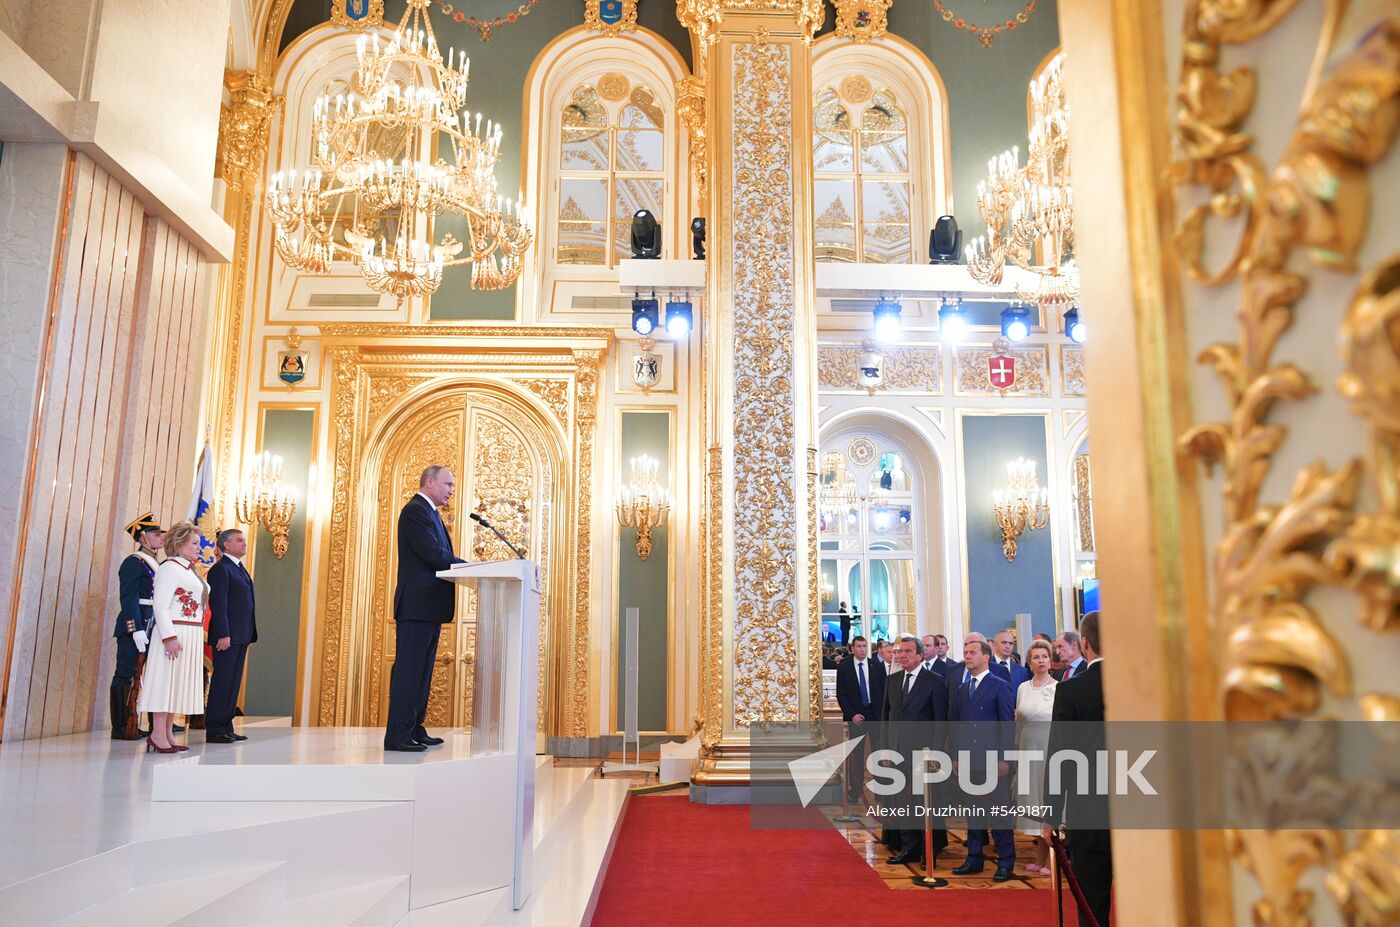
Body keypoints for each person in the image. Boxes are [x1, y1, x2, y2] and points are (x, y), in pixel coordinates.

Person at [384, 466, 467, 752]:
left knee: (422, 672)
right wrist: (467, 567)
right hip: (416, 607)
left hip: (429, 608)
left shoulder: (430, 512)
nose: (451, 490)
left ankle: (414, 728)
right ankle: (398, 734)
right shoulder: (415, 511)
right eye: (448, 484)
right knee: (409, 671)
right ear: (429, 482)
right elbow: (433, 554)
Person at [1044, 611, 1112, 927]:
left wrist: (1051, 815)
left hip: (1089, 813)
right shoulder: (1146, 685)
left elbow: (1061, 756)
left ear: (1084, 644)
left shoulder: (1072, 690)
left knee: (1091, 905)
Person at [137, 521, 207, 753]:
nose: (200, 547)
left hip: (191, 632)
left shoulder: (189, 569)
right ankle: (157, 733)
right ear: (180, 544)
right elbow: (161, 606)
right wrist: (169, 636)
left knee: (177, 685)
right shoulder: (169, 568)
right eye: (195, 543)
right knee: (165, 682)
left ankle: (167, 732)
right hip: (174, 631)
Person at [950, 638, 1017, 881]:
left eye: (972, 653)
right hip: (968, 759)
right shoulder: (961, 689)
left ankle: (1006, 862)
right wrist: (956, 758)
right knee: (974, 812)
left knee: (999, 813)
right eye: (965, 652)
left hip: (993, 760)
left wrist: (1003, 759)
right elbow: (957, 727)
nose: (967, 656)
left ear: (985, 657)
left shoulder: (1000, 685)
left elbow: (1007, 725)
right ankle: (974, 858)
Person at [883, 634, 949, 867]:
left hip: (924, 755)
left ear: (920, 655)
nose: (902, 655)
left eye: (908, 651)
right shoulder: (893, 680)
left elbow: (941, 722)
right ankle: (908, 847)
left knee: (924, 804)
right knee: (902, 803)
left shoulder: (935, 681)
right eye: (900, 652)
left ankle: (928, 850)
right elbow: (887, 718)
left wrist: (937, 756)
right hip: (898, 753)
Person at [112, 513, 163, 740]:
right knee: (125, 674)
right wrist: (136, 628)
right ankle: (121, 725)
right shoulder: (133, 562)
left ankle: (154, 725)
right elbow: (128, 597)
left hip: (153, 624)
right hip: (136, 625)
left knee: (150, 675)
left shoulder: (156, 564)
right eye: (155, 534)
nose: (161, 537)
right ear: (143, 538)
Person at [205, 529, 257, 744]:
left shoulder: (239, 568)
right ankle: (215, 728)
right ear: (226, 545)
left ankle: (226, 724)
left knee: (233, 682)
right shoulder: (221, 569)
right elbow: (219, 605)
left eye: (244, 540)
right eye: (239, 540)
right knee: (222, 681)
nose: (244, 543)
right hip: (227, 636)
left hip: (241, 634)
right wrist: (224, 633)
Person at [1015, 639, 1057, 874]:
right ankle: (1040, 858)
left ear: (1050, 660)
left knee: (1048, 804)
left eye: (1045, 656)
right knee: (1033, 804)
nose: (1041, 661)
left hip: (1049, 749)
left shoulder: (1059, 688)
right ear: (1029, 662)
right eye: (1036, 657)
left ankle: (1053, 859)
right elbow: (1018, 720)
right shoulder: (1023, 687)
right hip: (1027, 748)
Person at [834, 635, 885, 802]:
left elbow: (884, 691)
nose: (862, 649)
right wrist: (851, 714)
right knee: (856, 753)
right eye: (859, 646)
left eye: (864, 646)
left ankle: (881, 789)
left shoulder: (876, 665)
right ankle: (855, 790)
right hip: (856, 715)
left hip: (875, 715)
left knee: (878, 751)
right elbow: (841, 694)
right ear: (852, 648)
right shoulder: (844, 667)